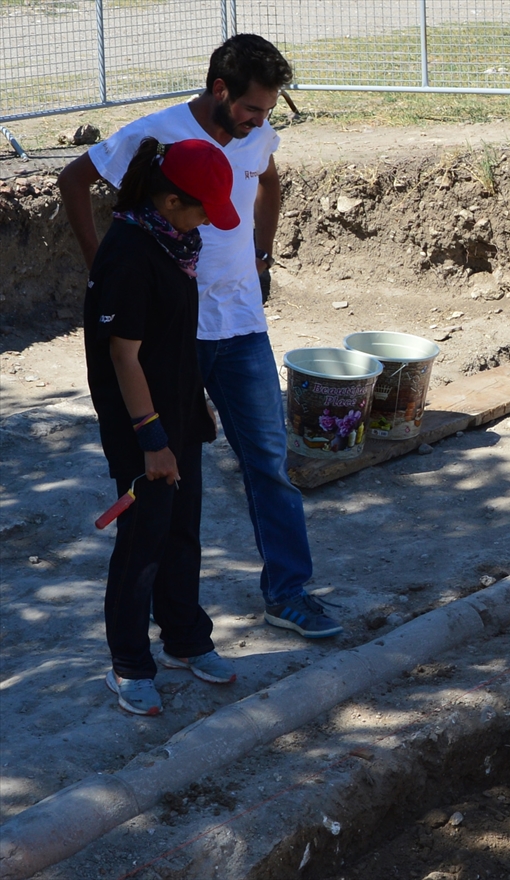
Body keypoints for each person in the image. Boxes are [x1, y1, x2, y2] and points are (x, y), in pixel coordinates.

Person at [59, 34, 341, 639]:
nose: (260, 121)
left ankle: (287, 593)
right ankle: (163, 629)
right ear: (221, 89)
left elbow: (269, 182)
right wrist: (101, 270)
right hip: (173, 338)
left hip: (241, 327)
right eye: (252, 109)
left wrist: (262, 256)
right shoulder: (156, 136)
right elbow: (73, 180)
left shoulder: (257, 136)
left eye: (267, 111)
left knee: (269, 462)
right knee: (170, 481)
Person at [85, 137, 240, 715]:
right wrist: (152, 442)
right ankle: (128, 664)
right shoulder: (129, 252)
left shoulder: (177, 242)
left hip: (178, 414)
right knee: (142, 542)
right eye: (201, 208)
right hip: (140, 427)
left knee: (182, 532)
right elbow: (125, 358)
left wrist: (195, 400)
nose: (207, 222)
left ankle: (185, 639)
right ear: (171, 200)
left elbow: (171, 339)